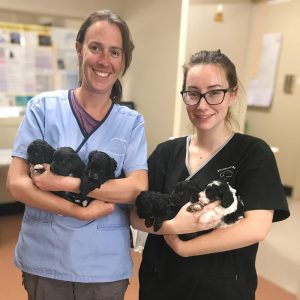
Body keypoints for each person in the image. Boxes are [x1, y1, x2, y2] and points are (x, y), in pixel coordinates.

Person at [6, 9, 148, 300]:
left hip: (103, 267)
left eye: (115, 52)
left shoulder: (131, 122)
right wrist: (79, 209)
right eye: (95, 47)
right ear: (79, 48)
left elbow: (136, 188)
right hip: (46, 259)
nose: (104, 60)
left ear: (123, 61)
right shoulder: (42, 108)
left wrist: (63, 184)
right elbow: (17, 183)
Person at [130, 49, 290, 300]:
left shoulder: (253, 153)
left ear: (232, 94)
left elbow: (256, 228)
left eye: (214, 93)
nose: (202, 105)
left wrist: (185, 248)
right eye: (193, 94)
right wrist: (175, 226)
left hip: (221, 289)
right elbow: (136, 216)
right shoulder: (167, 153)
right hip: (161, 284)